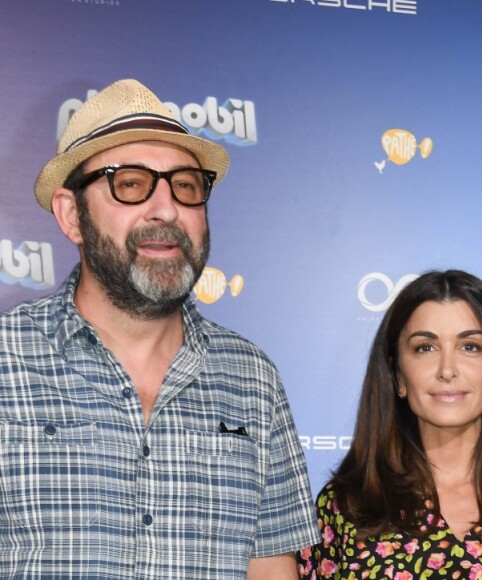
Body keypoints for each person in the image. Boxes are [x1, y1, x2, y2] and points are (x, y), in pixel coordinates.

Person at [0, 79, 318, 579]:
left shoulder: (254, 380)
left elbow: (270, 569)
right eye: (130, 182)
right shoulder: (5, 360)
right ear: (71, 215)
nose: (167, 209)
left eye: (186, 186)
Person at [298, 270, 482, 579]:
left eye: (470, 346)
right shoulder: (346, 506)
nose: (447, 370)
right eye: (425, 348)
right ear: (398, 376)